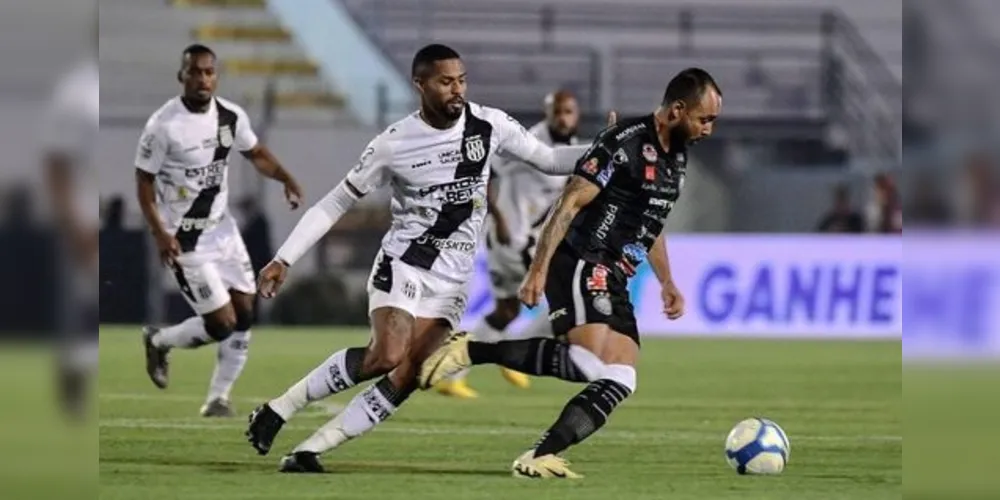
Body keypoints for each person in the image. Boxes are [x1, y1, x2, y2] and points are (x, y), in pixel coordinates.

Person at [244, 44, 604, 473]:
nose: (457, 90)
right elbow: (335, 202)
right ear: (420, 84)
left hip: (454, 282)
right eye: (445, 82)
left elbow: (547, 160)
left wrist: (605, 149)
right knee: (386, 355)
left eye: (462, 80)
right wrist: (285, 258)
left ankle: (309, 452)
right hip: (406, 263)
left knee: (411, 374)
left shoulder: (488, 125)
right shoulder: (393, 144)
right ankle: (278, 410)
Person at [419, 68, 723, 478]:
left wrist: (668, 281)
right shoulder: (624, 143)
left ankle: (539, 454)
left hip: (616, 273)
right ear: (677, 110)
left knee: (621, 375)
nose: (710, 128)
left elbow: (652, 223)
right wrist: (538, 271)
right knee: (588, 360)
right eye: (705, 119)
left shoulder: (677, 156)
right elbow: (568, 204)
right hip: (582, 259)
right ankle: (474, 350)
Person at [135, 44, 303, 417]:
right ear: (182, 76)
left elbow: (256, 152)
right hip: (185, 240)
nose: (202, 79)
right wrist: (160, 233)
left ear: (216, 76)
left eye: (209, 72)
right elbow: (143, 183)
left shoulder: (230, 116)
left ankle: (217, 399)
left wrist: (285, 178)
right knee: (222, 323)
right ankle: (160, 340)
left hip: (223, 232)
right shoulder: (163, 126)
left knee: (245, 313)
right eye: (194, 72)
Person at [436, 89, 582, 398]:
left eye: (568, 112)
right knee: (566, 296)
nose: (563, 118)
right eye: (558, 111)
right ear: (548, 112)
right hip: (513, 238)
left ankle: (451, 374)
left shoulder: (569, 146)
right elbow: (485, 171)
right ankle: (520, 355)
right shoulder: (531, 144)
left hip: (523, 239)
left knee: (505, 312)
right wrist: (498, 215)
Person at [41, 37, 98, 421]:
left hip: (103, 213)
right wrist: (68, 215)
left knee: (93, 301)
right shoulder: (77, 91)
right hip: (82, 215)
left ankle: (75, 370)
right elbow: (56, 160)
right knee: (82, 300)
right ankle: (72, 378)